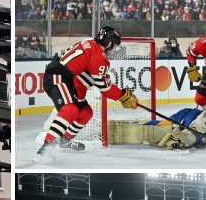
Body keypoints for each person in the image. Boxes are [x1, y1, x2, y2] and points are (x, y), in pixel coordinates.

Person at [35, 27, 139, 163]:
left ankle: (64, 140)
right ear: (108, 43)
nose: (114, 49)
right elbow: (105, 88)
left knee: (85, 113)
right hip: (57, 77)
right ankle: (46, 148)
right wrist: (123, 96)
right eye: (113, 45)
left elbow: (83, 74)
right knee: (70, 109)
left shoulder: (89, 43)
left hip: (68, 81)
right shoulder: (99, 57)